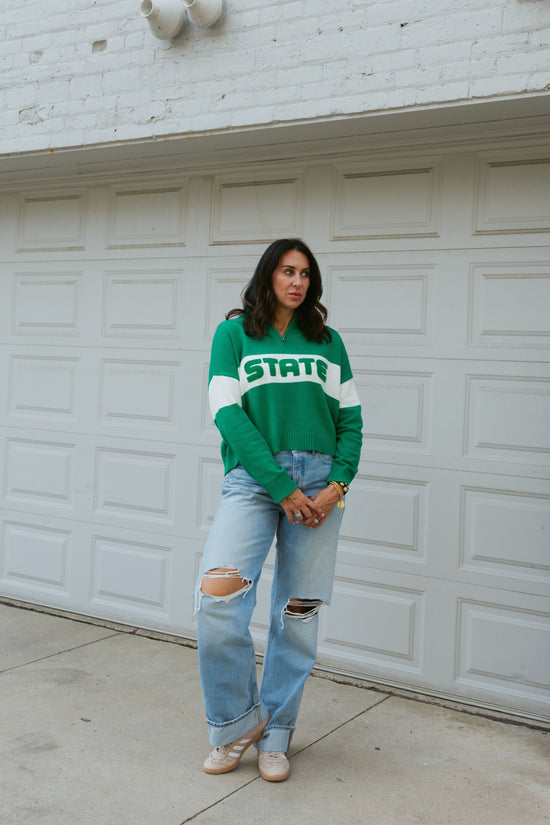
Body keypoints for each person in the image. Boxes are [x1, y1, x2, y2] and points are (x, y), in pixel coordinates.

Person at [194, 238, 363, 782]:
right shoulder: (233, 334)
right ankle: (236, 724)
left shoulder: (328, 342)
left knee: (298, 614)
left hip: (320, 486)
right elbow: (226, 412)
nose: (297, 282)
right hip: (252, 480)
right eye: (288, 271)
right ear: (268, 276)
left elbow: (351, 421)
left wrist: (338, 484)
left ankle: (277, 734)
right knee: (217, 602)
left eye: (306, 274)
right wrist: (279, 484)